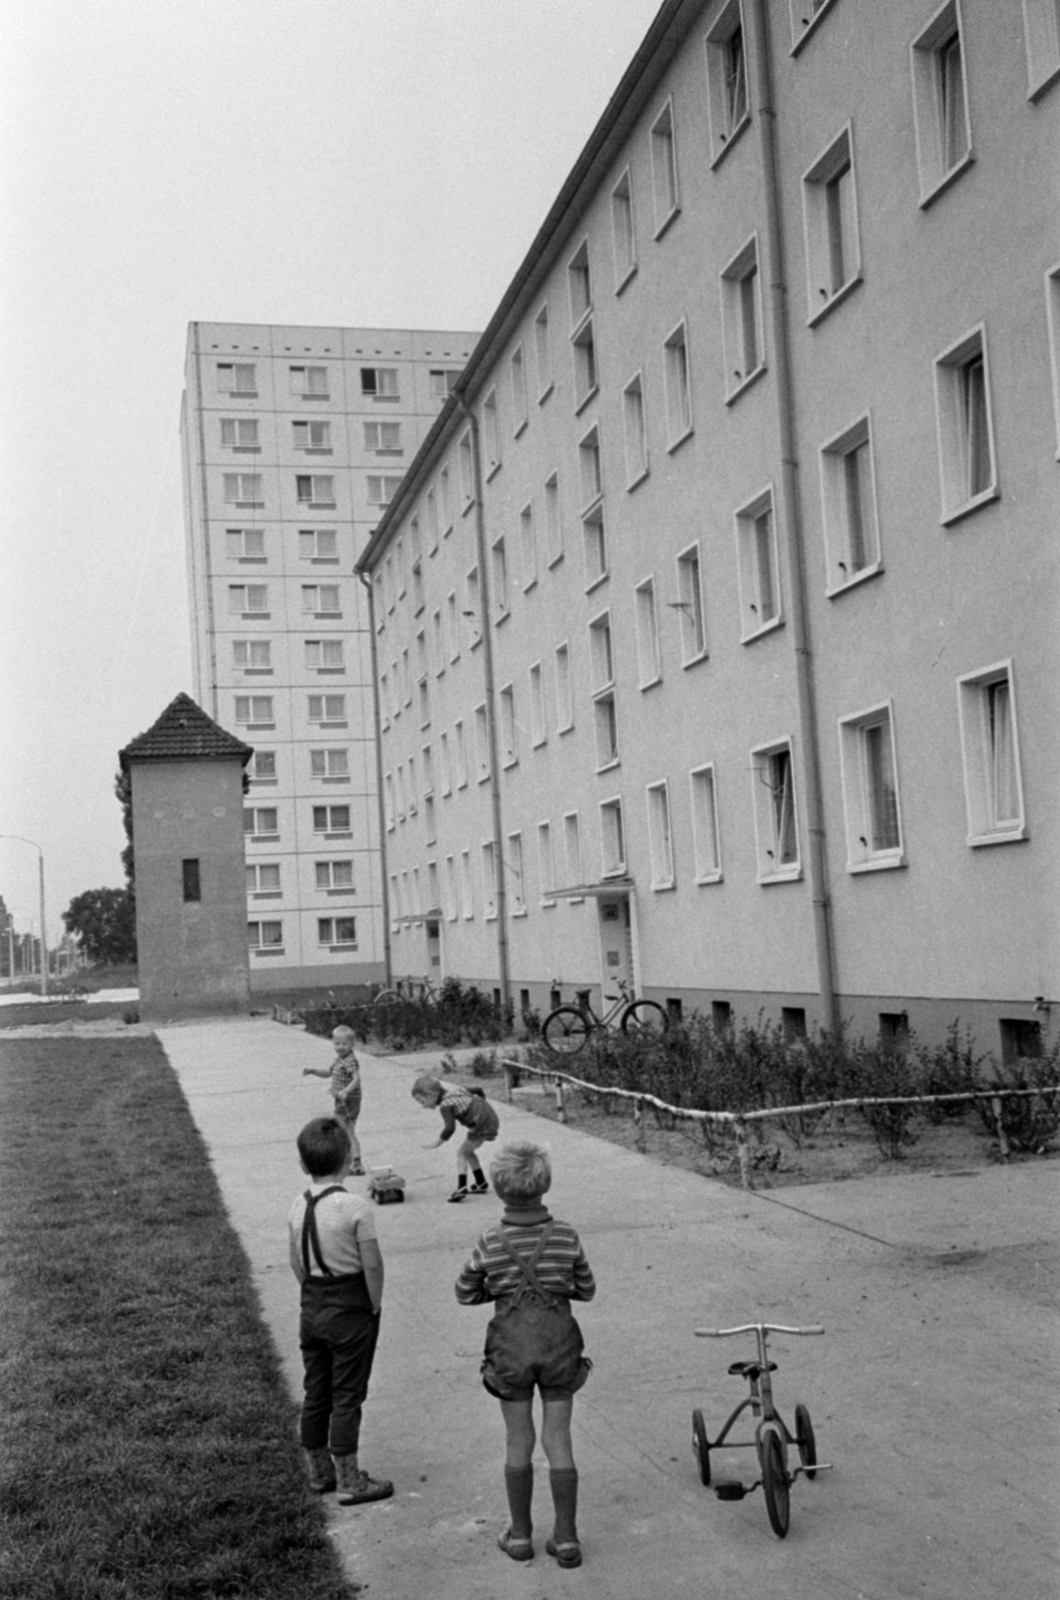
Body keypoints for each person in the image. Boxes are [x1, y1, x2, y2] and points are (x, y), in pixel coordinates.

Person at [455, 1140, 595, 1568]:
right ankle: (566, 1539)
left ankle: (519, 1536)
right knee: (559, 1438)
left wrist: (499, 1291)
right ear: (545, 1185)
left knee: (519, 1439)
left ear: (499, 1189)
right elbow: (586, 1288)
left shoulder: (491, 1240)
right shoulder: (566, 1234)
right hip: (559, 1346)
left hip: (510, 1349)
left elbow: (465, 1291)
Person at [287, 1116, 392, 1506]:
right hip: (351, 1305)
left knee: (317, 1391)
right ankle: (350, 1479)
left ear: (303, 1164)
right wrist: (374, 1303)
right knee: (348, 1393)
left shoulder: (298, 1204)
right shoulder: (355, 1208)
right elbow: (374, 1265)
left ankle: (319, 1473)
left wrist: (313, 1291)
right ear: (348, 1160)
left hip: (312, 1302)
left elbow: (295, 1261)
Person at [411, 1072, 500, 1201]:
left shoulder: (446, 1105)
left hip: (482, 1125)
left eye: (422, 1101)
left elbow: (450, 1128)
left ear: (431, 1094)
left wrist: (436, 1143)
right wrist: (482, 1110)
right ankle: (481, 1182)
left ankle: (461, 1188)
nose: (423, 1106)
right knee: (468, 1152)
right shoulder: (457, 1091)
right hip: (489, 1120)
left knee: (461, 1153)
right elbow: (478, 1090)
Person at [303, 1024, 364, 1176]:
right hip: (342, 1100)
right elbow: (328, 1073)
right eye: (337, 1043)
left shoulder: (349, 1060)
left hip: (349, 1101)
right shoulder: (339, 1059)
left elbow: (356, 1079)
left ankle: (354, 1163)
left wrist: (345, 1091)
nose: (341, 1047)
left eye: (345, 1044)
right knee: (345, 1131)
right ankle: (352, 1162)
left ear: (352, 1044)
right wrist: (313, 1071)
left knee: (344, 1131)